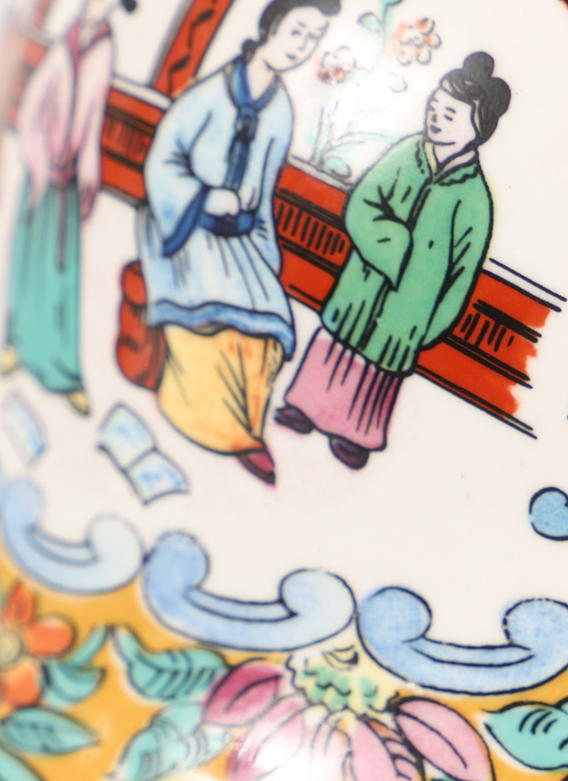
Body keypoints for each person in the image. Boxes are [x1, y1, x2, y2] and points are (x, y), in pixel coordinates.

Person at [275, 52, 511, 471]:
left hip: (409, 314)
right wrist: (395, 244)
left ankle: (355, 434)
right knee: (336, 345)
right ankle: (305, 407)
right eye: (435, 107)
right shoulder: (407, 153)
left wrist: (432, 324)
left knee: (379, 372)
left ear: (478, 128)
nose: (436, 118)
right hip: (362, 284)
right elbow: (362, 204)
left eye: (450, 114)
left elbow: (462, 275)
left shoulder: (473, 197)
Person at [137, 0, 338, 485]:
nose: (303, 46)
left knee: (270, 323)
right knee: (217, 316)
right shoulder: (210, 93)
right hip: (183, 227)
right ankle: (207, 428)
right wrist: (204, 197)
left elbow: (263, 195)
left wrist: (266, 259)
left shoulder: (281, 110)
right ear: (271, 26)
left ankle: (244, 431)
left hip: (240, 238)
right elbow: (162, 161)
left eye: (313, 38)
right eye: (297, 31)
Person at [1, 0, 134, 416]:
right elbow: (35, 98)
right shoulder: (70, 34)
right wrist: (38, 154)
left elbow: (94, 116)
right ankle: (16, 344)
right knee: (27, 261)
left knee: (62, 271)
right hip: (42, 166)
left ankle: (62, 370)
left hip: (69, 175)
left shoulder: (104, 45)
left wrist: (88, 168)